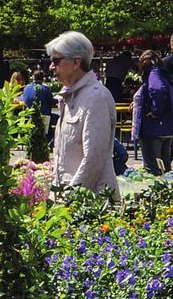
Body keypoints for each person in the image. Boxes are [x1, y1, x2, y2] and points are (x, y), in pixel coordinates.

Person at [46, 31, 119, 197]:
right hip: (68, 202)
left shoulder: (96, 97)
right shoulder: (70, 96)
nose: (51, 67)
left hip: (91, 207)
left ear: (76, 62)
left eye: (56, 61)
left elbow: (93, 159)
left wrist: (70, 199)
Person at [131, 50, 173, 176]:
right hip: (167, 129)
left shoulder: (154, 74)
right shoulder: (162, 73)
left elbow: (158, 90)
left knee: (153, 169)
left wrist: (156, 111)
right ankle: (166, 193)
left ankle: (156, 193)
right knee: (164, 169)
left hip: (154, 130)